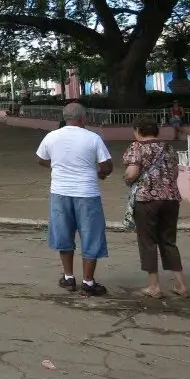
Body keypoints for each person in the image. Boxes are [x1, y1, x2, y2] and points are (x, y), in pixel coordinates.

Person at [36, 102, 113, 296]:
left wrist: (56, 167)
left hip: (60, 191)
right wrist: (101, 173)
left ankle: (69, 277)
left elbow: (41, 158)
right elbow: (107, 165)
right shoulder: (93, 138)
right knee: (91, 235)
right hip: (87, 193)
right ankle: (88, 281)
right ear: (82, 118)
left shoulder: (51, 136)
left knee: (63, 234)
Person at [123, 118, 188, 298]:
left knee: (148, 241)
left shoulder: (136, 147)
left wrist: (127, 179)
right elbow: (175, 172)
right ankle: (181, 284)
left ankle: (154, 286)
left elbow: (132, 172)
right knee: (168, 240)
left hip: (146, 199)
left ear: (138, 130)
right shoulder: (168, 148)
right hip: (171, 198)